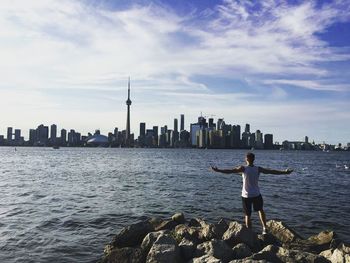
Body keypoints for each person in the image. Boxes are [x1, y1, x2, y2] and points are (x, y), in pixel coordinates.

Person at [211, 152, 293, 234]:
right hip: (256, 194)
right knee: (260, 210)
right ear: (253, 159)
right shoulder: (258, 169)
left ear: (246, 159)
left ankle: (249, 233)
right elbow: (271, 171)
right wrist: (284, 172)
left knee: (247, 215)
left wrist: (218, 170)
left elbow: (230, 171)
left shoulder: (243, 168)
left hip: (246, 195)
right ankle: (264, 228)